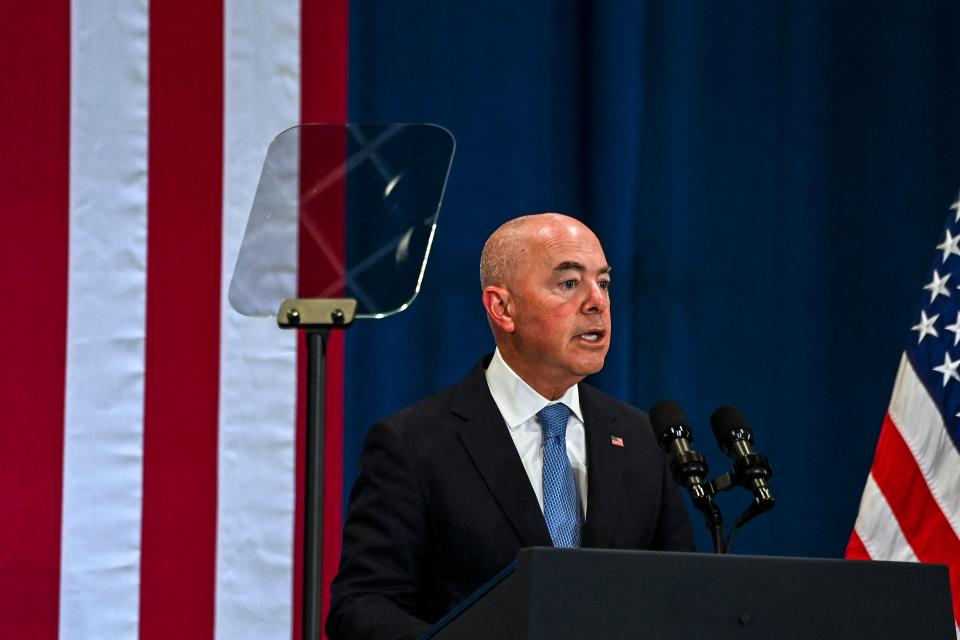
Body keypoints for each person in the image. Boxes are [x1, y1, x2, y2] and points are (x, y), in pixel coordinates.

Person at [326, 213, 693, 640]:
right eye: (569, 284)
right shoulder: (413, 445)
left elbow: (679, 596)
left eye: (604, 283)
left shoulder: (644, 439)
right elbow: (362, 606)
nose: (598, 302)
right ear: (502, 308)